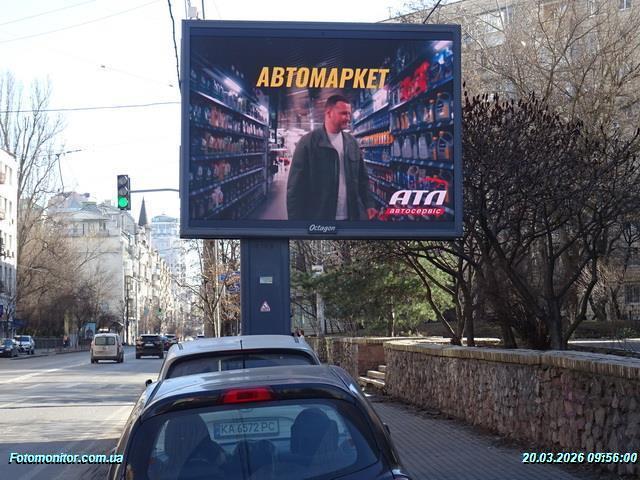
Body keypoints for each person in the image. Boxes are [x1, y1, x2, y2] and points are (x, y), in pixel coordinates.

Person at [287, 94, 378, 221]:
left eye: (349, 114)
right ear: (329, 113)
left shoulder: (352, 143)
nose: (348, 118)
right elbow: (295, 188)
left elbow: (362, 178)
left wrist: (369, 204)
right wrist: (295, 224)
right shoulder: (308, 142)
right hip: (320, 218)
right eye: (343, 114)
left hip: (351, 216)